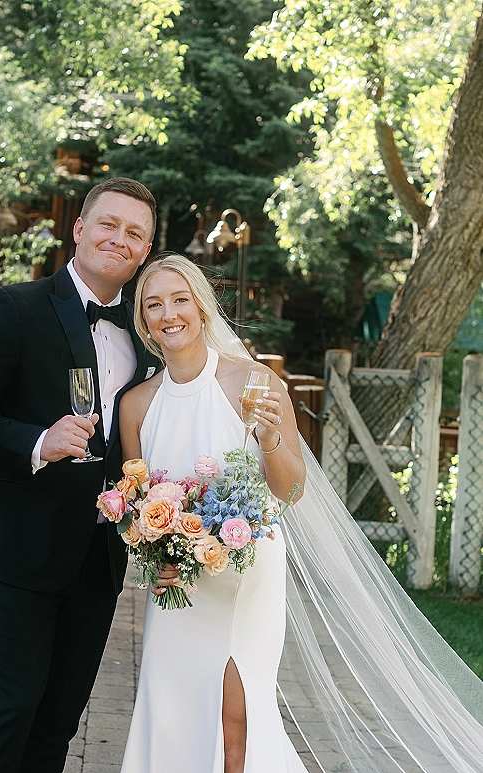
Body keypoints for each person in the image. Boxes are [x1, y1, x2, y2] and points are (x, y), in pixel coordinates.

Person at [118, 253, 483, 773]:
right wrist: (160, 557)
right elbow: (137, 506)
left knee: (239, 716)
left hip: (247, 576)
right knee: (173, 709)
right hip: (180, 586)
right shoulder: (136, 405)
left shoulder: (255, 381)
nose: (168, 313)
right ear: (144, 321)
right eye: (154, 305)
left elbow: (291, 490)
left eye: (180, 300)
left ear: (201, 308)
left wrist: (268, 439)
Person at [0, 178, 161, 773]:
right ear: (79, 229)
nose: (120, 239)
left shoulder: (149, 334)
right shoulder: (15, 307)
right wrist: (37, 440)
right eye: (108, 224)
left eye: (135, 233)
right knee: (10, 711)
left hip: (98, 554)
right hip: (17, 548)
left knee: (59, 721)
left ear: (145, 252)